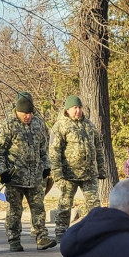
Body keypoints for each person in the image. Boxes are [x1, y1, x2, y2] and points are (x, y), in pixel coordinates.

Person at [0, 93, 56, 252]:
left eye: (30, 113)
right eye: (24, 113)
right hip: (14, 177)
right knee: (14, 210)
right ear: (17, 111)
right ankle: (14, 239)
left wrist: (46, 166)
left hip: (35, 176)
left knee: (38, 208)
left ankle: (41, 237)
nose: (27, 116)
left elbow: (44, 150)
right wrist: (2, 172)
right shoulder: (7, 126)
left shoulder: (39, 124)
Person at [50, 95, 107, 240]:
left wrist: (101, 169)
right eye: (75, 108)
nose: (78, 111)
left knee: (94, 204)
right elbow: (54, 152)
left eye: (80, 108)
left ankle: (96, 231)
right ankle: (61, 232)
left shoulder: (88, 125)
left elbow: (98, 148)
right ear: (67, 110)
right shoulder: (60, 126)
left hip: (89, 173)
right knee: (65, 204)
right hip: (69, 174)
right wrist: (58, 175)